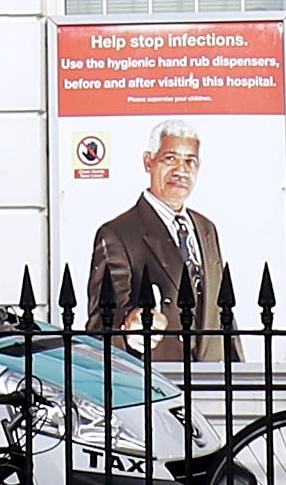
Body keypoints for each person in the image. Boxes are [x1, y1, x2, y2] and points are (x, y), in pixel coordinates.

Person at [86, 128, 233, 362]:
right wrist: (128, 328)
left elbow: (222, 309)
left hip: (211, 382)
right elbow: (102, 325)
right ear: (148, 162)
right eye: (170, 158)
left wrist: (240, 376)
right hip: (156, 383)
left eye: (190, 161)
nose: (181, 170)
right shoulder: (117, 234)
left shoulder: (206, 229)